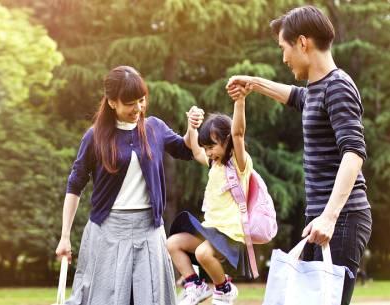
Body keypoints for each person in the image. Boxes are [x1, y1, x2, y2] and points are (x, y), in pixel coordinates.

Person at [226, 5, 371, 305]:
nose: (283, 58)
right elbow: (296, 96)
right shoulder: (318, 89)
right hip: (322, 218)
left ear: (302, 43)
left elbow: (354, 153)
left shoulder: (338, 87)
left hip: (342, 219)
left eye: (284, 48)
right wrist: (252, 83)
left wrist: (329, 218)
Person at [54, 65, 204, 305]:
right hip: (108, 231)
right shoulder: (95, 136)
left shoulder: (154, 127)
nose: (138, 108)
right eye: (130, 103)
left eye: (141, 101)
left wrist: (192, 128)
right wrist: (65, 237)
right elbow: (75, 185)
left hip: (149, 230)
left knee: (151, 298)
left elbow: (185, 149)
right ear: (112, 102)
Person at [166, 85, 253, 305]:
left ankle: (224, 288)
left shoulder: (238, 165)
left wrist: (240, 101)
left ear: (227, 140)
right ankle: (195, 285)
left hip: (230, 234)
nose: (208, 152)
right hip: (211, 231)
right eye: (206, 147)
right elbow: (194, 150)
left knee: (204, 254)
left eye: (212, 146)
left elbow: (239, 133)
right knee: (173, 243)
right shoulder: (213, 163)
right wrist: (192, 126)